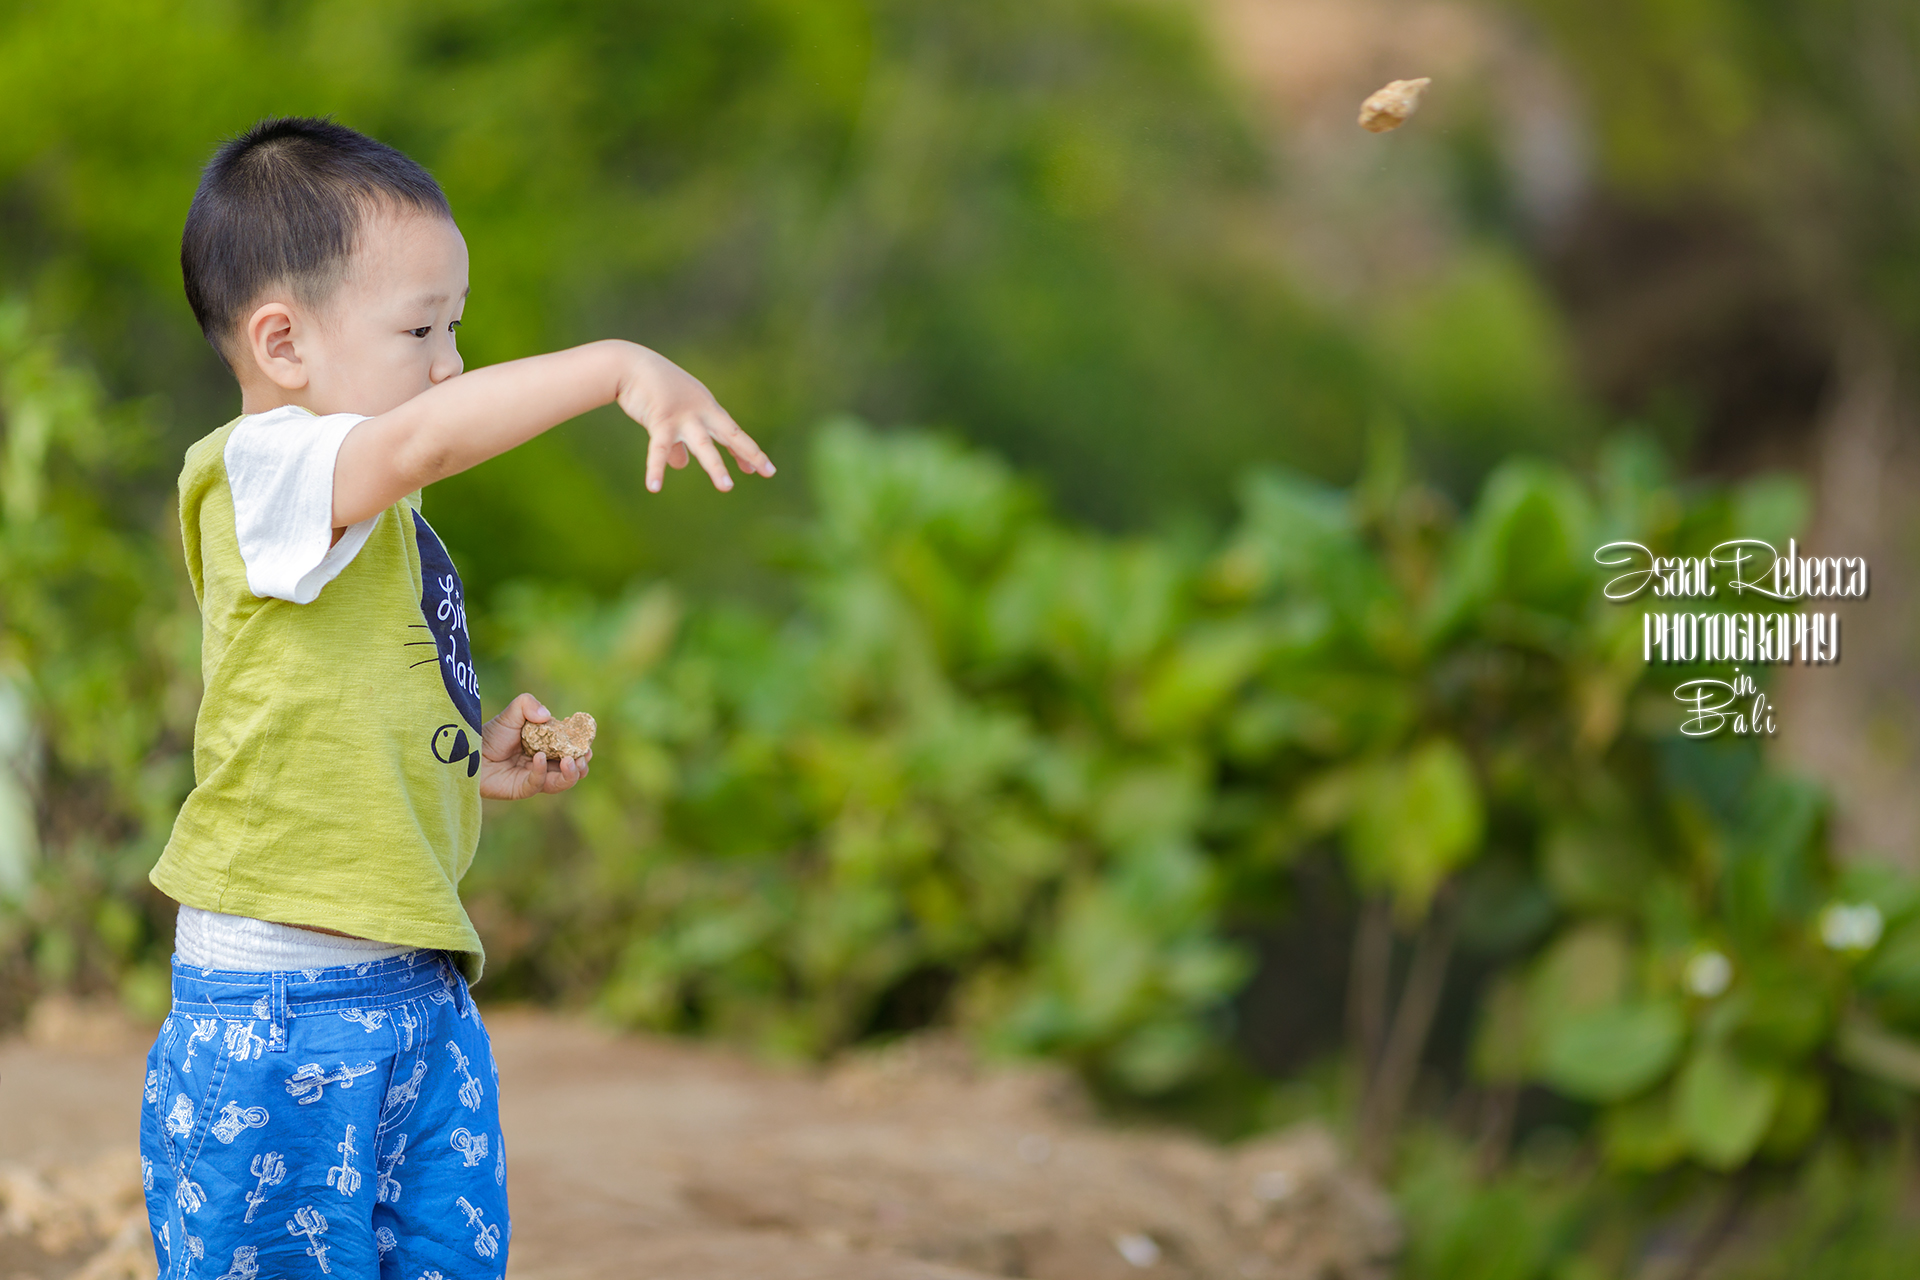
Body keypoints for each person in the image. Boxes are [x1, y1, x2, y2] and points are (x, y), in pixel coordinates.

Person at [142, 115, 773, 1280]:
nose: (450, 363)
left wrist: (471, 758)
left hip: (414, 983)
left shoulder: (365, 511)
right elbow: (427, 439)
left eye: (457, 327)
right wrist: (617, 367)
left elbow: (341, 707)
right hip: (280, 1002)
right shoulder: (265, 468)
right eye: (423, 327)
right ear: (283, 342)